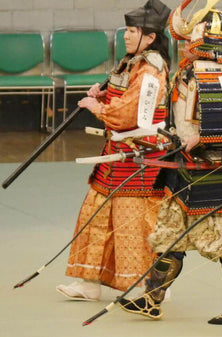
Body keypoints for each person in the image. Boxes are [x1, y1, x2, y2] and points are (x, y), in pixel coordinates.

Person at [118, 0, 222, 324]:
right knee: (171, 233)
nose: (185, 48)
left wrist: (203, 138)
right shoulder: (188, 71)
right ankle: (151, 298)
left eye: (190, 42)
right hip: (186, 165)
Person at [55, 0, 171, 300]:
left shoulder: (152, 67)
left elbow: (129, 113)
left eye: (133, 31)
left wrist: (97, 105)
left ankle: (147, 285)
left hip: (141, 157)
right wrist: (104, 91)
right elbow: (123, 93)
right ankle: (89, 282)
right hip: (117, 152)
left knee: (131, 222)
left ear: (151, 37)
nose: (126, 36)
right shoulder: (132, 61)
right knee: (95, 213)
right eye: (127, 30)